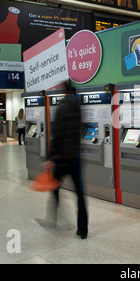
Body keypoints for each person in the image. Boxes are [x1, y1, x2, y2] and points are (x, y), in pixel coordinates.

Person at [44, 80, 88, 239]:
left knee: (54, 188)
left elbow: (57, 134)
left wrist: (50, 156)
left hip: (61, 158)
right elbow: (82, 128)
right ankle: (83, 230)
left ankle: (52, 220)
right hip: (75, 157)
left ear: (63, 91)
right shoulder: (78, 108)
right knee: (80, 194)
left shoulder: (61, 108)